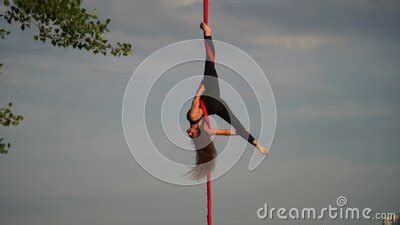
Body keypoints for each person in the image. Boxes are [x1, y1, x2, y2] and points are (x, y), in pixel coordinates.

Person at [187, 23, 269, 156]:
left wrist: (237, 133)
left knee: (238, 126)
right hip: (211, 93)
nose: (189, 132)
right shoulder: (192, 116)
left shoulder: (205, 130)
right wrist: (202, 87)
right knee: (210, 60)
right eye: (192, 134)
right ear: (196, 131)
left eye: (189, 134)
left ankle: (258, 145)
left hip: (217, 104)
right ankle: (208, 33)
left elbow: (223, 132)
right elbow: (196, 99)